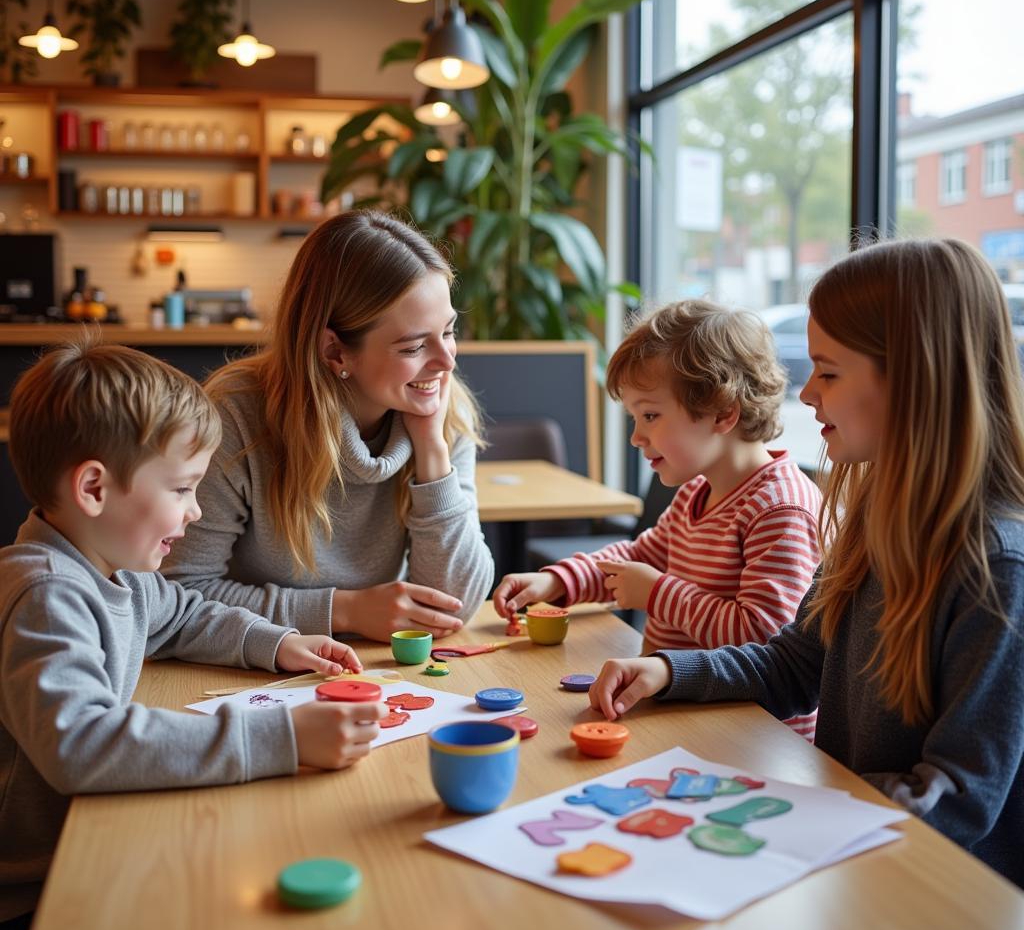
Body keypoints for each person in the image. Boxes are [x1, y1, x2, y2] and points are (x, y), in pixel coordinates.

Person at [589, 239, 1024, 888]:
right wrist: (666, 671)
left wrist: (787, 814)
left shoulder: (998, 570)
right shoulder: (872, 527)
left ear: (911, 378)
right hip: (846, 863)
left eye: (829, 370)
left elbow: (956, 797)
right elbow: (793, 663)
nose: (806, 391)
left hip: (934, 896)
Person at [0, 340, 390, 930]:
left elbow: (182, 615)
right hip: (36, 895)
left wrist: (277, 643)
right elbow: (80, 742)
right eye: (182, 489)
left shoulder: (114, 571)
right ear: (94, 489)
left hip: (93, 844)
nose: (195, 512)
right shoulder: (48, 595)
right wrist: (280, 737)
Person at [493, 298, 822, 738]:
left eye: (650, 415)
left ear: (723, 412)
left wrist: (658, 593)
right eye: (634, 417)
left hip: (755, 737)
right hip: (690, 716)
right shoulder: (696, 492)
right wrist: (558, 582)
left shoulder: (780, 509)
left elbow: (764, 641)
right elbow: (636, 555)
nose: (635, 436)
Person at [164, 211, 494, 643]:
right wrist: (345, 611)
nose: (447, 361)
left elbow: (452, 605)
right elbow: (176, 596)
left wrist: (432, 448)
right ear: (335, 351)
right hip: (248, 669)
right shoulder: (235, 418)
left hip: (376, 675)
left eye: (448, 331)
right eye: (414, 345)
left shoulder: (444, 412)